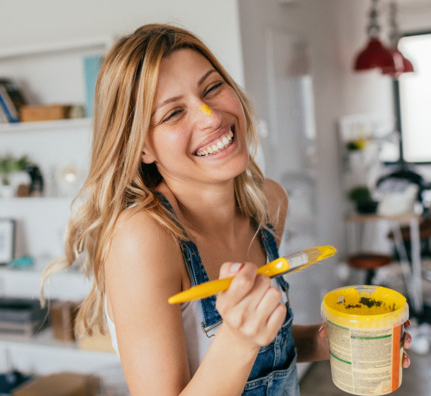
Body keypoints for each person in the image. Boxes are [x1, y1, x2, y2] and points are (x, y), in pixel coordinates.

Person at [42, 23, 411, 395]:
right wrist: (237, 339)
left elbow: (269, 350)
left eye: (213, 88)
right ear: (142, 149)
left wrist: (331, 342)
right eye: (173, 113)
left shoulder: (267, 202)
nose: (210, 116)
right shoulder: (143, 239)